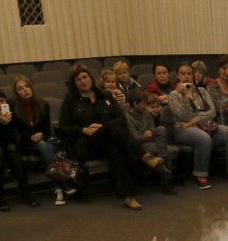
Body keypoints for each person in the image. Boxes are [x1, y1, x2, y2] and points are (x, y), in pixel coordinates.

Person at [58, 65, 167, 211]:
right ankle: (145, 157)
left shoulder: (105, 95)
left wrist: (105, 127)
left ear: (90, 77)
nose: (83, 81)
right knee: (113, 130)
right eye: (78, 79)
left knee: (117, 147)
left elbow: (121, 118)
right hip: (86, 144)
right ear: (74, 83)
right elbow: (62, 128)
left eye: (85, 77)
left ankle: (128, 196)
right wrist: (84, 129)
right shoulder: (70, 100)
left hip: (108, 141)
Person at [166, 63, 228, 190]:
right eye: (183, 74)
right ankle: (200, 175)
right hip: (182, 129)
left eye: (189, 73)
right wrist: (185, 96)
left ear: (193, 76)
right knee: (203, 138)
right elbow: (184, 116)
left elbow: (212, 111)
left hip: (205, 125)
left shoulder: (202, 91)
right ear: (177, 76)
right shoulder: (173, 95)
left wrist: (196, 119)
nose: (186, 76)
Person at [9, 75, 66, 205]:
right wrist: (30, 137)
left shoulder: (42, 104)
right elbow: (15, 131)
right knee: (44, 146)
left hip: (42, 142)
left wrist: (41, 135)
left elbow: (47, 130)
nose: (25, 90)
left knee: (45, 145)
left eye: (27, 86)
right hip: (24, 144)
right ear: (16, 93)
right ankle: (61, 185)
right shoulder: (13, 107)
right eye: (20, 89)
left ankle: (59, 188)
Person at [125, 90, 175, 195]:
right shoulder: (128, 118)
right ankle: (166, 183)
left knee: (161, 129)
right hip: (140, 144)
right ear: (135, 104)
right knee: (168, 151)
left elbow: (152, 126)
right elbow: (135, 138)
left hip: (152, 139)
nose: (145, 106)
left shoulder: (145, 113)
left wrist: (151, 131)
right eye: (143, 104)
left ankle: (161, 159)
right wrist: (145, 135)